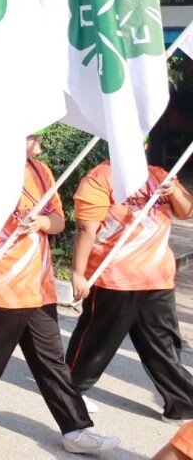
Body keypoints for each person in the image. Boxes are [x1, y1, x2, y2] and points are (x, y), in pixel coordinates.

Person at [0, 130, 118, 455]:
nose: (39, 143)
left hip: (39, 285)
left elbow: (59, 221)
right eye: (32, 136)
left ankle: (76, 429)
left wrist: (41, 222)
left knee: (52, 360)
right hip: (0, 284)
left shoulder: (42, 172)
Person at [66, 150, 193, 423]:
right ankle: (69, 390)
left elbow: (186, 211)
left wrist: (174, 191)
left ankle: (182, 404)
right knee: (96, 341)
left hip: (158, 277)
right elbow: (87, 229)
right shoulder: (100, 178)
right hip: (115, 277)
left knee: (164, 346)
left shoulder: (159, 175)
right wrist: (78, 273)